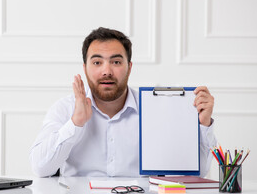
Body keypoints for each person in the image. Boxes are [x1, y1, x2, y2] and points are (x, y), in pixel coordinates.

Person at [30, 27, 216, 177]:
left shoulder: (156, 109)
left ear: (129, 67)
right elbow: (40, 168)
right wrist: (75, 123)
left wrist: (203, 125)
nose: (107, 71)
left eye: (116, 62)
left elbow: (198, 172)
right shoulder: (65, 108)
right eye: (97, 63)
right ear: (85, 68)